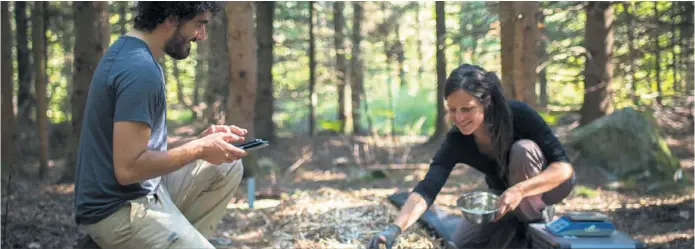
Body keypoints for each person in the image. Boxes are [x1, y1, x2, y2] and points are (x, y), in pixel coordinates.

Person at [73, 2, 249, 248]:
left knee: (227, 168)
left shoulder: (135, 54)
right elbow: (128, 169)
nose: (202, 35)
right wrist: (199, 150)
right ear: (171, 19)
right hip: (117, 209)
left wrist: (199, 141)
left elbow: (136, 145)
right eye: (199, 24)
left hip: (142, 192)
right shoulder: (139, 70)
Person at [367, 64, 576, 249]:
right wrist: (394, 229)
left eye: (467, 109)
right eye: (452, 109)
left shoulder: (518, 114)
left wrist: (520, 190)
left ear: (486, 102)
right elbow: (427, 188)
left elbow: (564, 169)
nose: (458, 118)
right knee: (461, 243)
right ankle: (514, 223)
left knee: (523, 150)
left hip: (547, 188)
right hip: (504, 195)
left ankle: (534, 227)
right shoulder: (457, 140)